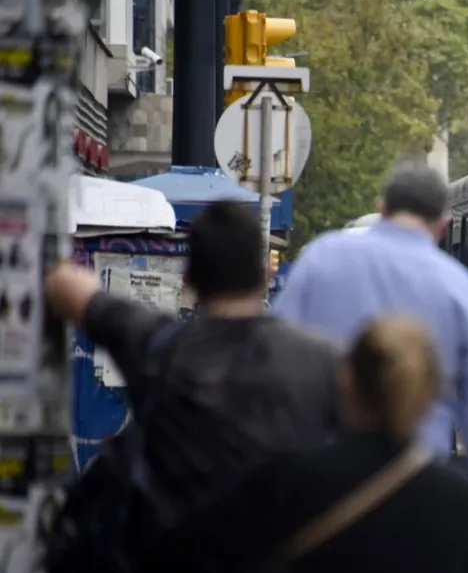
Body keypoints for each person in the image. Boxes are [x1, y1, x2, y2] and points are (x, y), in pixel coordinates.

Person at [144, 316, 468, 573]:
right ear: (428, 398)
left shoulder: (291, 481)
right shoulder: (459, 500)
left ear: (346, 380)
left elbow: (188, 555)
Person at [272, 158, 468, 533]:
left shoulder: (320, 260)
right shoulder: (458, 288)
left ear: (382, 209)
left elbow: (274, 369)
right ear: (443, 225)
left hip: (322, 503)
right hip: (419, 502)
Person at [44, 201, 342, 505]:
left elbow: (71, 289)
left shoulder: (156, 346)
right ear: (265, 274)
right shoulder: (322, 360)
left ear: (188, 277)